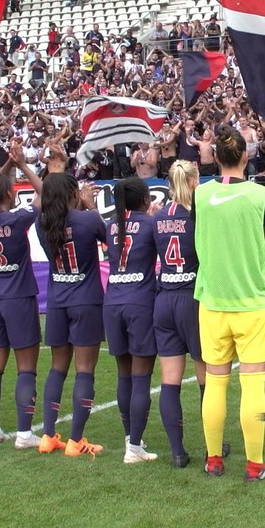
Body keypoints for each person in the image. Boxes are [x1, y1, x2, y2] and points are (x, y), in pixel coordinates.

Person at [195, 126, 265, 481]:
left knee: (215, 383)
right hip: (253, 301)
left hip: (213, 300)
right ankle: (254, 465)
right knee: (253, 383)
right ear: (246, 156)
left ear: (216, 157)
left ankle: (214, 460)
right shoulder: (262, 195)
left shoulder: (201, 195)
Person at [35, 168, 108, 457]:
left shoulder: (42, 223)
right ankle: (76, 441)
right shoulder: (88, 219)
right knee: (84, 370)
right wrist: (91, 204)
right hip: (86, 301)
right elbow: (111, 238)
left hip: (57, 301)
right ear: (73, 194)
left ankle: (48, 435)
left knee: (57, 368)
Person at [0, 146, 43, 448]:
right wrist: (23, 165)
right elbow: (44, 193)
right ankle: (24, 434)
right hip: (19, 297)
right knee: (26, 366)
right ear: (7, 194)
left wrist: (6, 165)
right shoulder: (17, 219)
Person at [153, 160, 219, 467]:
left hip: (164, 298)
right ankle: (211, 447)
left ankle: (178, 452)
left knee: (170, 381)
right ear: (194, 182)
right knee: (207, 378)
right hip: (192, 299)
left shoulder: (158, 217)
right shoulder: (198, 214)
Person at [104, 177, 161, 463]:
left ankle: (131, 437)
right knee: (141, 376)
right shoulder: (150, 224)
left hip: (112, 301)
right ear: (145, 200)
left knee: (124, 374)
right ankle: (134, 448)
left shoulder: (110, 225)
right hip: (140, 302)